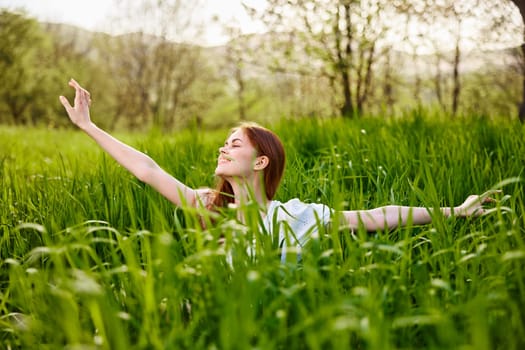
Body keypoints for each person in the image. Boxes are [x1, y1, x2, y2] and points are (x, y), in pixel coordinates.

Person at [59, 79, 497, 262]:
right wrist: (90, 127)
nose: (222, 148)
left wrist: (455, 211)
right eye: (224, 142)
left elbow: (380, 215)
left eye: (234, 144)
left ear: (261, 161)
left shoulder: (301, 216)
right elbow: (148, 170)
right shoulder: (210, 208)